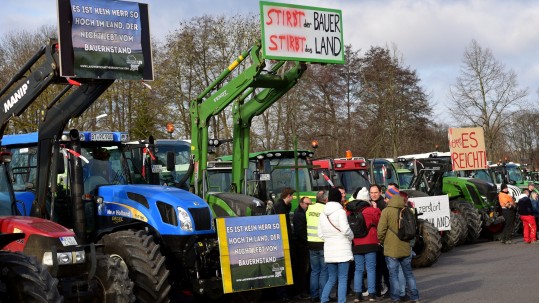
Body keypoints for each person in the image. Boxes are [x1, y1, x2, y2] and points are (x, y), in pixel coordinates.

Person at [377, 187, 420, 303]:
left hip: (391, 248)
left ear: (390, 198)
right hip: (406, 247)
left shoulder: (386, 211)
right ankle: (415, 297)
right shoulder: (406, 210)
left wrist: (381, 241)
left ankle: (396, 298)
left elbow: (381, 230)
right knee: (409, 274)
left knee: (393, 275)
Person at [318, 187, 354, 303]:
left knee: (331, 278)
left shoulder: (323, 214)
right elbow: (345, 230)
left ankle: (323, 299)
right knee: (343, 278)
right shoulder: (340, 212)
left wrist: (330, 239)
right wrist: (351, 236)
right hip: (342, 251)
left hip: (329, 251)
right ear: (339, 199)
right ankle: (341, 301)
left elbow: (320, 234)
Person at [348, 187, 381, 302]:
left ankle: (358, 294)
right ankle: (372, 294)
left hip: (356, 243)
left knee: (358, 269)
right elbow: (379, 222)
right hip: (371, 242)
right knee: (371, 269)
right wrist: (375, 208)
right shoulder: (372, 210)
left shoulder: (350, 210)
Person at [272, 187, 295, 301]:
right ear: (288, 196)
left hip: (284, 240)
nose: (293, 198)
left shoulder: (283, 206)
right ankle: (282, 295)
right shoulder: (279, 207)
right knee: (281, 268)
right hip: (281, 242)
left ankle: (285, 293)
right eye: (292, 196)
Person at [307, 190, 330, 303]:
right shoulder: (325, 210)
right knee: (324, 271)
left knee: (314, 271)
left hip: (311, 243)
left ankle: (313, 295)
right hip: (322, 243)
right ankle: (323, 296)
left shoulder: (310, 208)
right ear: (325, 199)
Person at [370, 184, 390, 299]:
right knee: (377, 267)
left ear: (380, 192)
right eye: (371, 193)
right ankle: (377, 289)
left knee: (384, 267)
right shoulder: (370, 203)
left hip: (382, 240)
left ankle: (388, 288)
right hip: (374, 240)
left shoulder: (383, 204)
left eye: (375, 192)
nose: (373, 195)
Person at [293, 196, 313, 299]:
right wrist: (308, 242)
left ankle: (305, 290)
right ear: (301, 203)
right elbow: (300, 232)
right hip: (302, 246)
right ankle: (303, 291)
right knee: (303, 270)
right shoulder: (300, 214)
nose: (309, 206)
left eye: (310, 204)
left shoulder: (302, 212)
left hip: (303, 245)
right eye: (307, 204)